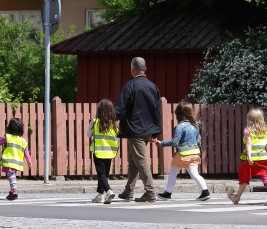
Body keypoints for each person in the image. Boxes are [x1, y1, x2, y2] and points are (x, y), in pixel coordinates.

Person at [114, 57, 162, 203]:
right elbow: (156, 110)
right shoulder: (153, 87)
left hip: (135, 129)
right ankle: (129, 191)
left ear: (132, 69)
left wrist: (110, 118)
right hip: (148, 129)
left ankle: (150, 192)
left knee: (140, 160)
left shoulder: (131, 85)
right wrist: (155, 131)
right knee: (133, 159)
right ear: (145, 69)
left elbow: (120, 107)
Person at [154, 101, 210, 202]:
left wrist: (161, 143)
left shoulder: (180, 127)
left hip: (182, 155)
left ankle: (168, 193)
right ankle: (205, 191)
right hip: (194, 154)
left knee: (173, 173)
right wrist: (199, 152)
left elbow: (175, 142)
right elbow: (199, 141)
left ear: (178, 114)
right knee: (195, 174)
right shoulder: (194, 126)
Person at [227, 108, 267, 206]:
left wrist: (249, 157)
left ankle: (237, 197)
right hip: (264, 158)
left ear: (249, 119)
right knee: (266, 177)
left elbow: (249, 144)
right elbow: (266, 145)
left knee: (245, 177)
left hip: (253, 158)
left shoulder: (248, 131)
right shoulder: (264, 131)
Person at [0, 118, 32, 201]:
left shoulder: (7, 137)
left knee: (11, 176)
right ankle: (12, 191)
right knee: (12, 176)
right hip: (17, 163)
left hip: (9, 161)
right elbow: (26, 151)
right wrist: (29, 161)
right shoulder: (23, 140)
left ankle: (14, 191)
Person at [86, 100, 119, 204]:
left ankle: (108, 191)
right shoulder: (113, 125)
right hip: (110, 152)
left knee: (101, 174)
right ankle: (100, 195)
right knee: (105, 174)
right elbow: (116, 138)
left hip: (99, 151)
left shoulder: (95, 122)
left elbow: (88, 134)